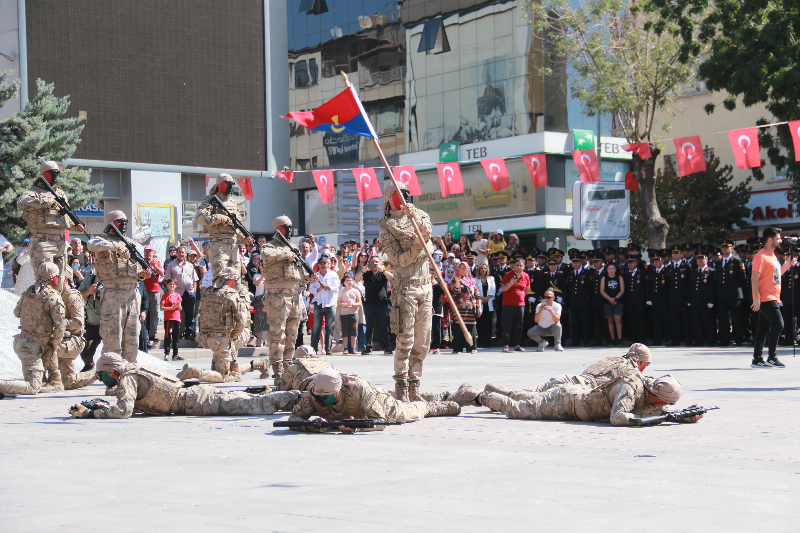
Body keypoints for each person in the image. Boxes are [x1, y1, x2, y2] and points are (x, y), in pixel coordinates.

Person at [69, 353, 299, 419]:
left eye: (102, 376)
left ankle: (296, 399)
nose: (102, 380)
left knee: (248, 405)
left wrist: (90, 413)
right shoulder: (129, 374)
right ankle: (289, 398)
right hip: (191, 397)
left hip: (192, 400)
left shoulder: (128, 377)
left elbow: (124, 411)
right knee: (244, 400)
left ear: (112, 372)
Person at [451, 374, 704, 426]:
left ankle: (498, 388)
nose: (664, 408)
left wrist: (682, 416)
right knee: (519, 410)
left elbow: (652, 410)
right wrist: (663, 419)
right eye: (666, 405)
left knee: (529, 399)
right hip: (568, 403)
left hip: (571, 399)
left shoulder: (651, 393)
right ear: (658, 398)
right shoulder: (630, 387)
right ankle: (476, 395)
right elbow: (619, 417)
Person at [378, 182, 435, 402]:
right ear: (389, 197)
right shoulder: (387, 226)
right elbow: (398, 260)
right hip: (405, 288)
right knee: (405, 340)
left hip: (426, 285)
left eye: (406, 193)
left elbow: (431, 246)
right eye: (399, 194)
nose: (404, 197)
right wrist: (420, 246)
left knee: (423, 341)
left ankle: (415, 386)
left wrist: (421, 245)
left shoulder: (420, 215)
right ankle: (401, 386)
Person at [285, 368, 460, 433]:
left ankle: (435, 406)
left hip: (381, 404)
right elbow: (293, 419)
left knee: (411, 412)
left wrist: (358, 426)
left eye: (326, 397)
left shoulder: (360, 389)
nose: (321, 401)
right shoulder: (313, 395)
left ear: (338, 392)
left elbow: (381, 421)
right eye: (318, 397)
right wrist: (310, 426)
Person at [261, 216, 317, 383]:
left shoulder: (293, 248)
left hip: (294, 297)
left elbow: (298, 274)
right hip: (278, 297)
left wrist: (309, 278)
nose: (290, 231)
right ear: (278, 228)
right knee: (277, 336)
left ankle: (288, 369)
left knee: (292, 336)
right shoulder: (270, 246)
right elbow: (266, 254)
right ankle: (277, 372)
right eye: (287, 227)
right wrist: (288, 254)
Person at [485, 343, 651, 400]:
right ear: (642, 362)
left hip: (571, 378)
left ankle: (499, 391)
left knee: (534, 390)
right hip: (578, 388)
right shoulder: (632, 370)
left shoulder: (612, 358)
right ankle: (495, 396)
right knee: (533, 399)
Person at [16, 161, 85, 290]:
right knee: (45, 281)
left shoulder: (60, 193)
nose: (55, 176)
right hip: (42, 242)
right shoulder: (33, 191)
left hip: (60, 243)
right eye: (52, 173)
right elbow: (21, 204)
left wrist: (76, 226)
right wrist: (45, 202)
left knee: (60, 283)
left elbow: (66, 218)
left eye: (57, 173)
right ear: (43, 174)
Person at [87, 211, 144, 363]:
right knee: (113, 339)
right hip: (113, 293)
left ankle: (129, 373)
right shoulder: (102, 240)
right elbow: (91, 244)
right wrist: (116, 245)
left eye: (125, 220)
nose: (124, 224)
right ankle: (111, 375)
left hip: (132, 293)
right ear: (112, 223)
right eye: (120, 221)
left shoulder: (130, 243)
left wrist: (143, 273)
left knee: (132, 340)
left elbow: (136, 267)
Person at [0, 262, 65, 395]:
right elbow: (60, 326)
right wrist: (55, 344)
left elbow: (17, 312)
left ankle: (53, 379)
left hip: (23, 343)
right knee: (33, 387)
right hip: (33, 348)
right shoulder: (53, 297)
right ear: (52, 278)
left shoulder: (28, 292)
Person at [177, 267, 245, 382]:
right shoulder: (231, 294)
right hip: (221, 340)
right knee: (224, 376)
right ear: (231, 280)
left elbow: (200, 314)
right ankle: (195, 372)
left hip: (205, 337)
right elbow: (241, 322)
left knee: (223, 361)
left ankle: (216, 366)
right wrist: (233, 335)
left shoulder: (208, 292)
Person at [194, 173, 253, 280]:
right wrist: (220, 218)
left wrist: (244, 238)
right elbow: (199, 218)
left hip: (233, 246)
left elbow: (237, 226)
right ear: (220, 185)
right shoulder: (211, 200)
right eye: (228, 184)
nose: (230, 187)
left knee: (235, 281)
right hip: (219, 246)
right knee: (221, 280)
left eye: (231, 184)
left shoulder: (233, 202)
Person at [751, 226, 794, 368]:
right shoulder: (761, 256)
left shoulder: (773, 256)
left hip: (773, 296)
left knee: (763, 329)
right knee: (778, 324)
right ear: (770, 239)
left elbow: (775, 276)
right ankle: (772, 357)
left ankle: (757, 359)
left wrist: (788, 265)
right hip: (766, 297)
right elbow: (754, 278)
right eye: (778, 238)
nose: (780, 240)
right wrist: (756, 298)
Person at [357, 257, 394, 355]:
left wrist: (382, 269)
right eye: (372, 262)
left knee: (384, 327)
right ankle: (368, 347)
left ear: (380, 263)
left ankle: (386, 346)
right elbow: (357, 278)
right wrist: (363, 270)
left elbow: (391, 277)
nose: (374, 264)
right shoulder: (367, 274)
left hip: (383, 304)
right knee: (369, 327)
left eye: (376, 262)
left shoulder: (383, 273)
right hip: (369, 304)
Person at [163, 245, 199, 341]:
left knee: (190, 314)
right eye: (179, 252)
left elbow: (195, 279)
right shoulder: (171, 265)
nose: (181, 254)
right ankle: (177, 333)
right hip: (177, 292)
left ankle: (188, 333)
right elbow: (167, 279)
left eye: (183, 252)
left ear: (186, 254)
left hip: (189, 292)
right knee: (176, 313)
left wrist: (194, 291)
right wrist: (171, 291)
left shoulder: (190, 265)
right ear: (176, 253)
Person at [716, 239, 746, 346]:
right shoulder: (718, 263)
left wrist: (736, 289)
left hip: (734, 294)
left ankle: (738, 338)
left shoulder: (737, 261)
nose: (725, 249)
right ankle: (725, 338)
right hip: (722, 295)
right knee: (723, 319)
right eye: (723, 247)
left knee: (736, 318)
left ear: (731, 249)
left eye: (727, 247)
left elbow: (742, 278)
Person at [448, 263, 481, 353]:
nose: (462, 270)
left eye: (464, 268)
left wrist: (480, 307)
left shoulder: (472, 281)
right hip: (458, 309)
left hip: (470, 309)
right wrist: (457, 283)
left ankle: (472, 347)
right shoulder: (455, 279)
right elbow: (454, 291)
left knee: (471, 328)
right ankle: (457, 348)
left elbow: (477, 295)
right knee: (458, 328)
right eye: (460, 268)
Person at [499, 258, 530, 352]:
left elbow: (527, 289)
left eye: (521, 265)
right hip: (507, 304)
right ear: (514, 266)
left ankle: (517, 344)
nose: (519, 267)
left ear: (524, 266)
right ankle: (506, 344)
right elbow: (503, 288)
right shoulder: (508, 275)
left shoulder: (526, 276)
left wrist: (521, 297)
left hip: (520, 304)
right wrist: (510, 284)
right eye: (517, 265)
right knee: (506, 325)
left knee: (519, 325)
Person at [689, 249, 717, 347]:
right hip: (695, 302)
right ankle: (698, 340)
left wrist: (711, 301)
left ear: (707, 259)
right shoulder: (694, 272)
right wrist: (689, 300)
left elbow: (712, 288)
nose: (700, 261)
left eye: (702, 259)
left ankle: (711, 339)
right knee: (696, 323)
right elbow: (690, 287)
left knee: (708, 322)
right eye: (698, 259)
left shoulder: (710, 271)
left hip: (706, 302)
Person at [566, 253, 592, 346]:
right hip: (573, 301)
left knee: (585, 321)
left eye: (577, 262)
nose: (575, 264)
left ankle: (586, 340)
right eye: (574, 262)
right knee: (574, 322)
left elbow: (590, 288)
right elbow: (568, 288)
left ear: (581, 262)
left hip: (584, 301)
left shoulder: (587, 273)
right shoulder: (570, 273)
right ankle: (575, 340)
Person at [646, 251, 670, 346]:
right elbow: (650, 286)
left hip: (664, 300)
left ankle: (668, 338)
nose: (655, 262)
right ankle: (658, 339)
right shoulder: (652, 272)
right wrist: (648, 298)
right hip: (654, 300)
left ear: (662, 261)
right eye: (654, 260)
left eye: (658, 260)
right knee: (656, 321)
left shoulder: (667, 271)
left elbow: (669, 286)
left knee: (666, 320)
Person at [142, 244, 163, 345]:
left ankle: (152, 334)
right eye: (146, 251)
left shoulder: (157, 262)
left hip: (155, 290)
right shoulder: (141, 262)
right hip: (144, 291)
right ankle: (145, 335)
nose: (148, 253)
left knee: (155, 313)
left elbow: (162, 273)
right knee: (146, 313)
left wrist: (155, 266)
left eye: (150, 251)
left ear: (153, 252)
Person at [623, 255, 647, 344]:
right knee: (631, 321)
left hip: (640, 301)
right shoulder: (625, 275)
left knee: (640, 321)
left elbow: (645, 287)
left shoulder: (642, 273)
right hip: (629, 301)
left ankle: (642, 339)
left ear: (636, 263)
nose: (630, 264)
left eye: (632, 262)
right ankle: (634, 339)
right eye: (629, 263)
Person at [600, 262, 625, 346]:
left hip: (618, 301)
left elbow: (622, 290)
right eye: (609, 269)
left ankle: (620, 339)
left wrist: (615, 298)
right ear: (607, 270)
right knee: (610, 320)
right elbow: (602, 291)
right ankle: (612, 339)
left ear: (616, 269)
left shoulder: (619, 277)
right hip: (607, 302)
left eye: (613, 268)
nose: (611, 270)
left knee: (618, 319)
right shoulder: (604, 278)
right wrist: (609, 299)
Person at [338, 272, 362, 354]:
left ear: (353, 282)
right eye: (347, 280)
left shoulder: (356, 291)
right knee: (345, 332)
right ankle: (345, 348)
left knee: (354, 331)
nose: (349, 282)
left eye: (350, 280)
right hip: (344, 314)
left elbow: (359, 303)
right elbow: (339, 303)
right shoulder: (342, 291)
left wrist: (353, 304)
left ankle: (353, 348)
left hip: (354, 314)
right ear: (344, 282)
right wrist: (346, 304)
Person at [161, 278, 183, 361]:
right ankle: (167, 354)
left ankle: (175, 354)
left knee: (176, 337)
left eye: (173, 284)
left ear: (176, 286)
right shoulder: (165, 296)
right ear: (167, 285)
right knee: (168, 337)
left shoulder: (178, 296)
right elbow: (162, 307)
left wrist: (178, 305)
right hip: (169, 319)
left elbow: (180, 308)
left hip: (176, 318)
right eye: (170, 284)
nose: (172, 286)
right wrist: (172, 308)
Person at [475, 263, 496, 348]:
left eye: (484, 268)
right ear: (479, 270)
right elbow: (475, 291)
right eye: (481, 268)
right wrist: (483, 298)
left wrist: (487, 298)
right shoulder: (475, 279)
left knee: (488, 324)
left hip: (489, 303)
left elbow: (493, 289)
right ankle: (481, 342)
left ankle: (488, 343)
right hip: (480, 303)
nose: (483, 270)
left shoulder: (491, 278)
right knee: (480, 324)